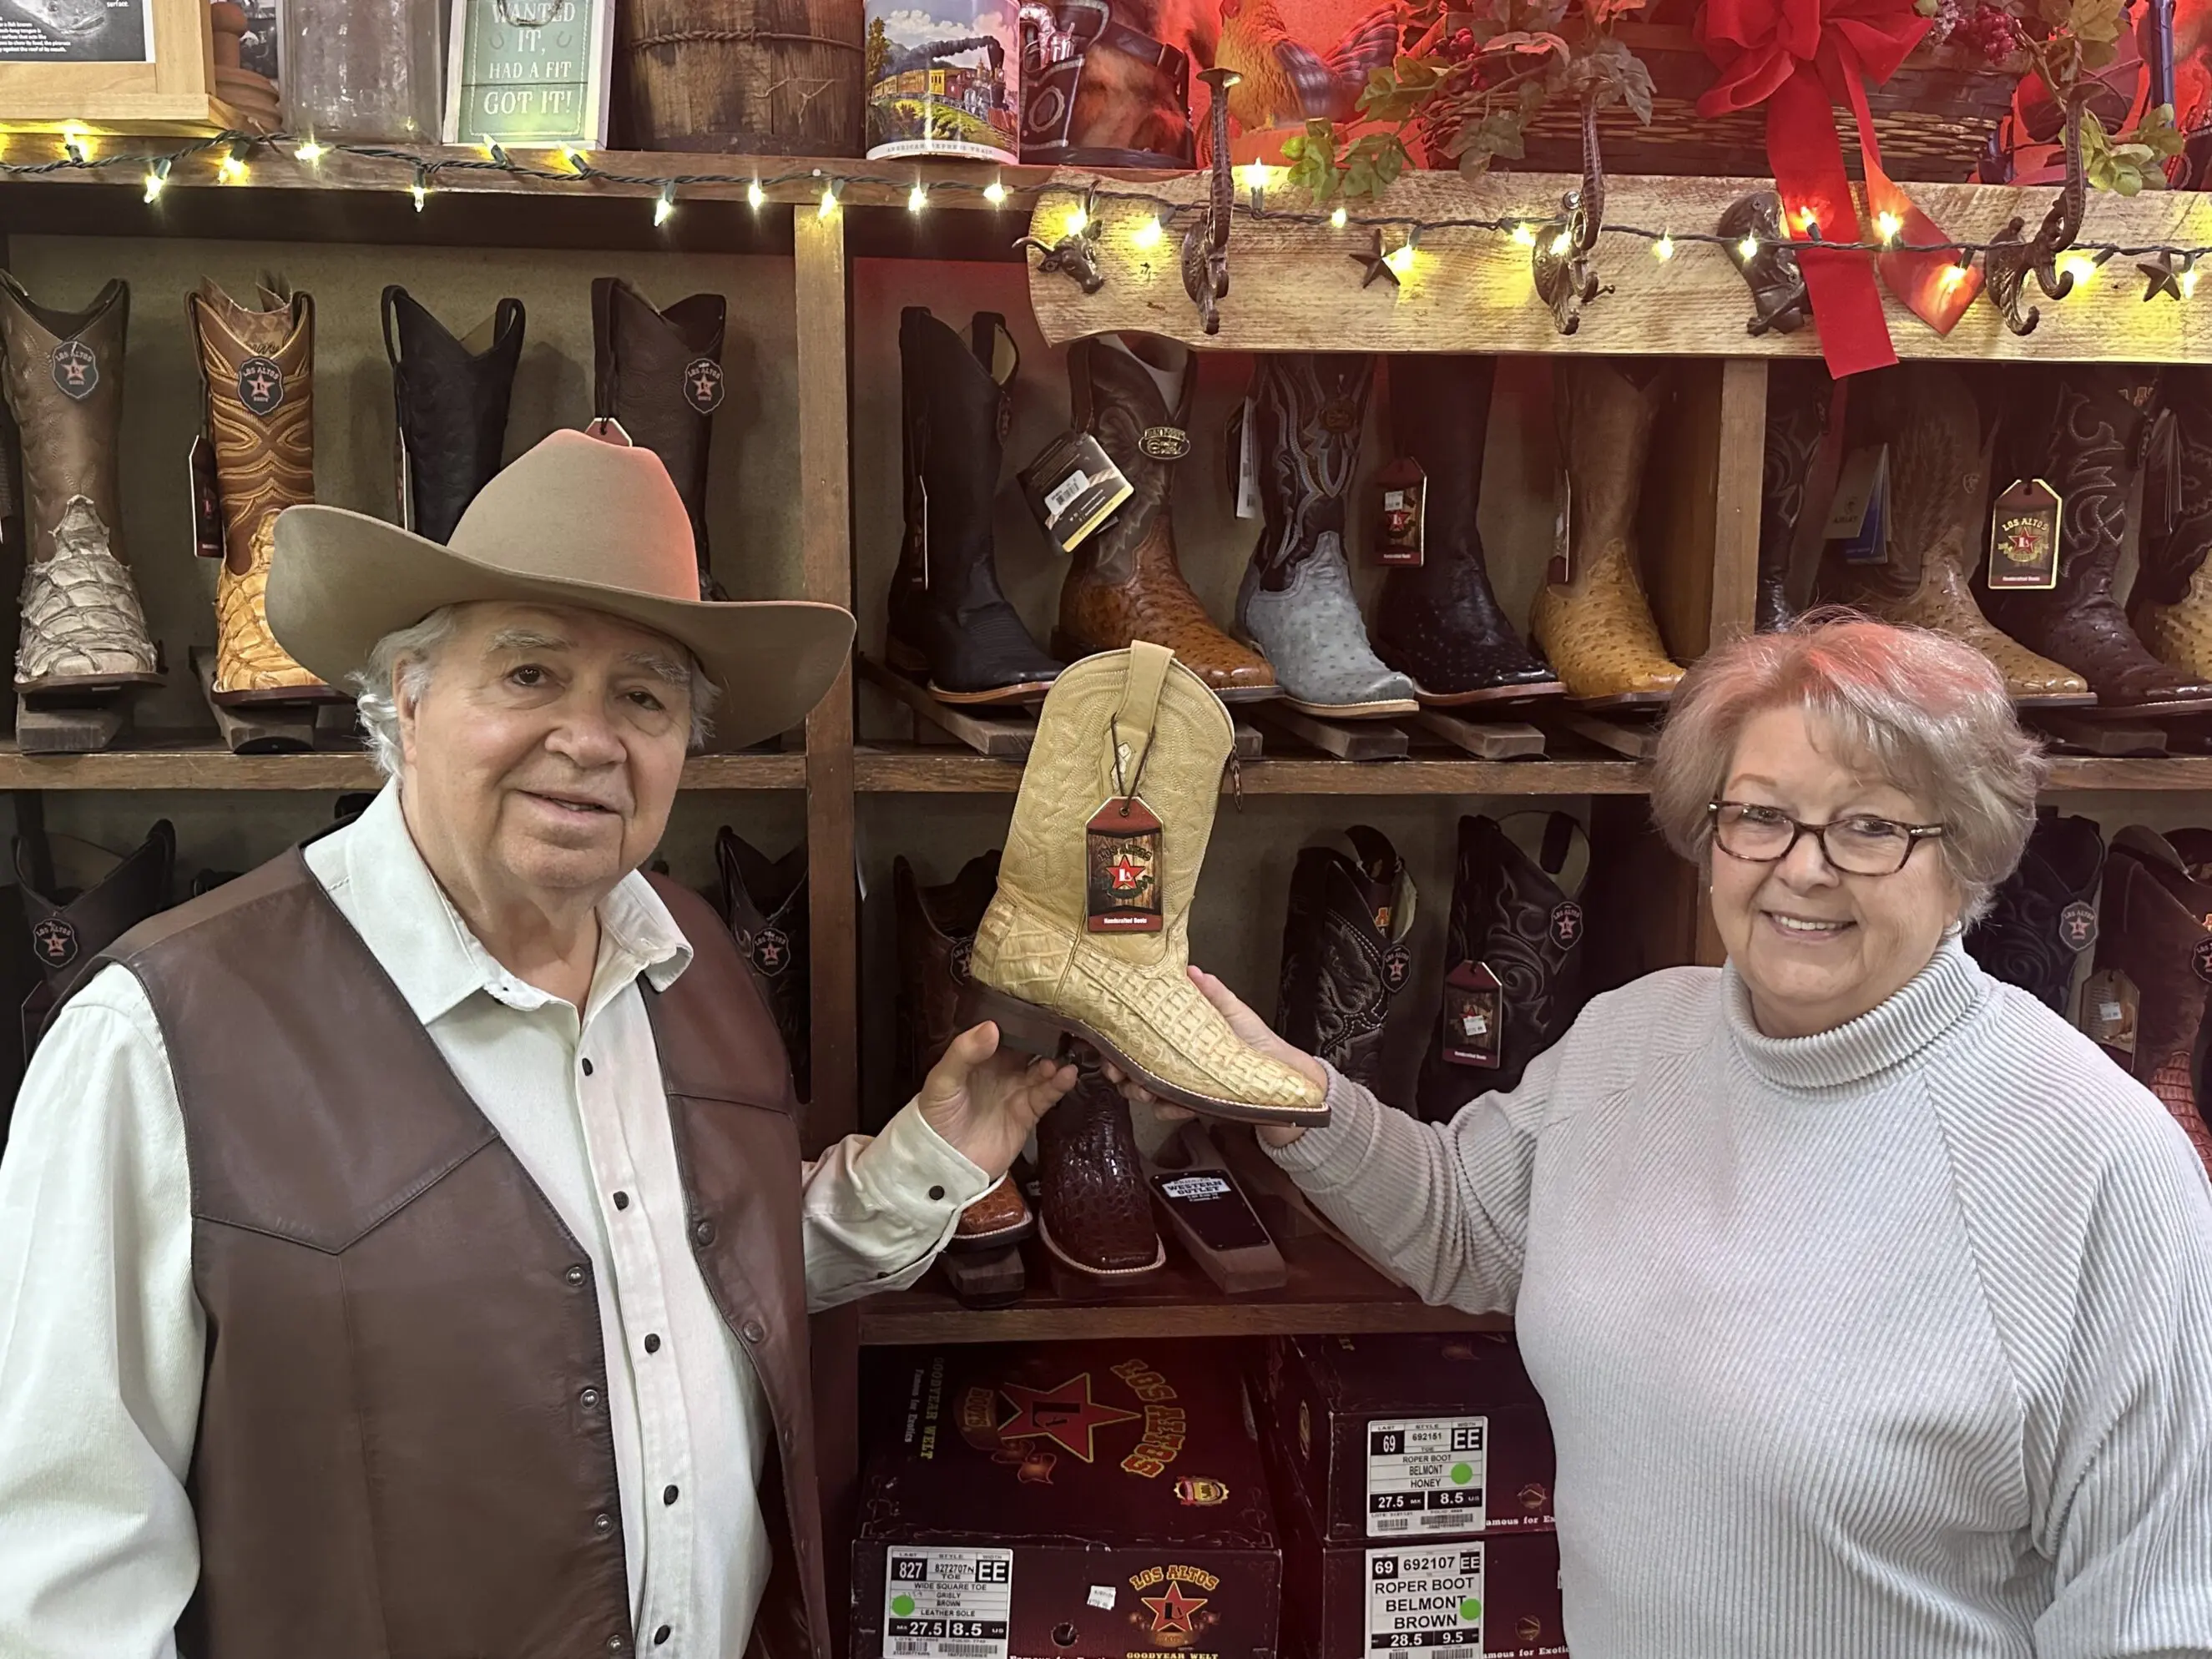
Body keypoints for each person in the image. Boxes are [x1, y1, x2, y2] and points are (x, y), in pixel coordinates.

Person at [0, 430, 1076, 1659]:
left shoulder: (690, 957)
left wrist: (929, 1157)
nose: (591, 738)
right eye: (527, 675)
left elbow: (684, 1286)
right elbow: (64, 1569)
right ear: (405, 696)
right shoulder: (158, 1033)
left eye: (644, 697)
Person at [1119, 617, 2212, 1657]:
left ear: (1965, 854)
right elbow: (1462, 1226)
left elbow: (2158, 1620)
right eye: (1759, 815)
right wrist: (1280, 1088)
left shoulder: (2099, 1166)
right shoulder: (1634, 1038)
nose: (1802, 866)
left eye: (1871, 825)